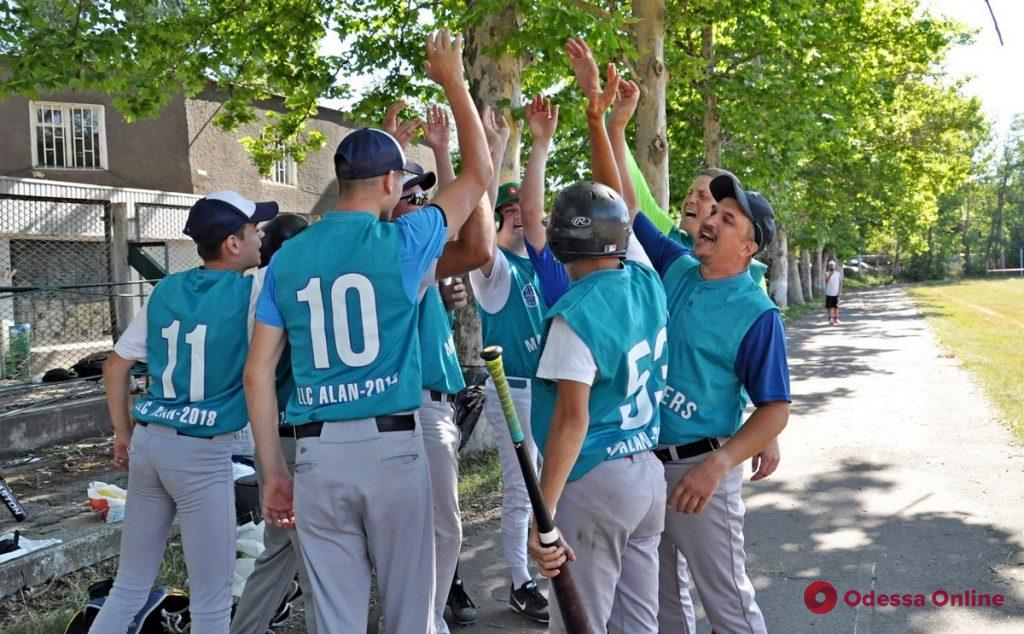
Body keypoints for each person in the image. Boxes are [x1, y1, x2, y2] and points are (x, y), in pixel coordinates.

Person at [244, 29, 492, 633]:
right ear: (389, 184)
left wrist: (274, 469)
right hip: (395, 444)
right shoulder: (404, 242)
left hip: (319, 452)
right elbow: (481, 173)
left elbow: (257, 373)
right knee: (412, 613)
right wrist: (455, 82)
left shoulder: (287, 258)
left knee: (335, 620)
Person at [93, 190, 279, 633]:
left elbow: (115, 365)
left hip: (151, 441)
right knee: (212, 600)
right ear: (233, 244)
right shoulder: (253, 288)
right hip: (201, 454)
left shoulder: (166, 289)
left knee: (129, 588)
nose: (261, 239)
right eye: (255, 231)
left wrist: (122, 433)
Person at [632, 172, 791, 634]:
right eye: (713, 212)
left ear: (748, 247)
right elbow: (624, 200)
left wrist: (718, 465)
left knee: (729, 607)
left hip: (699, 471)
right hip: (646, 466)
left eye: (728, 218)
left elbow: (775, 409)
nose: (711, 220)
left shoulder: (757, 312)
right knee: (662, 604)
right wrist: (611, 128)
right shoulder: (677, 267)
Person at [527, 181, 668, 633]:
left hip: (597, 481)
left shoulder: (576, 311)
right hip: (647, 470)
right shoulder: (647, 280)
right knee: (637, 623)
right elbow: (624, 213)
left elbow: (572, 419)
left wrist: (542, 513)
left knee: (580, 623)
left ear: (561, 241)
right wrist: (608, 127)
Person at [391, 101, 495, 632]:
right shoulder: (396, 248)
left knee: (436, 528)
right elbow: (474, 243)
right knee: (430, 529)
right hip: (409, 408)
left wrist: (438, 153)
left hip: (431, 404)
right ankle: (425, 620)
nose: (422, 202)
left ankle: (427, 615)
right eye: (409, 195)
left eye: (423, 195)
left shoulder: (418, 254)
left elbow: (467, 238)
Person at [467, 94, 550, 623]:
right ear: (496, 218)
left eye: (525, 210)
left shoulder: (543, 263)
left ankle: (544, 568)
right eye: (509, 211)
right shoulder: (492, 270)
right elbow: (478, 207)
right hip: (512, 387)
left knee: (550, 482)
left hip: (549, 388)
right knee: (522, 487)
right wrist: (494, 153)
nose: (520, 217)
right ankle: (521, 580)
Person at [231, 213, 316, 634]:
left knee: (278, 551)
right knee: (318, 560)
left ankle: (244, 628)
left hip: (266, 438)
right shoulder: (290, 284)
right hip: (296, 436)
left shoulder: (249, 288)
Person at [825, 259, 843, 324]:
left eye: (832, 265)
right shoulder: (826, 273)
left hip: (836, 293)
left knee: (836, 307)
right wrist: (830, 274)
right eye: (830, 265)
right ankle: (830, 319)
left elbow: (840, 283)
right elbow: (826, 282)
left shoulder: (838, 274)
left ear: (835, 266)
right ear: (828, 266)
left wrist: (840, 291)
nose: (831, 267)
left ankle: (836, 318)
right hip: (829, 292)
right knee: (829, 307)